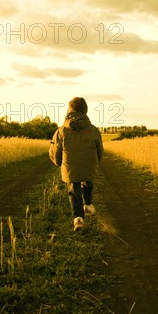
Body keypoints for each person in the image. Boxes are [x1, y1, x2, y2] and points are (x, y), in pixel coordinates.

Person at [49, 97, 104, 231]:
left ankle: (78, 218)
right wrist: (96, 162)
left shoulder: (61, 131)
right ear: (85, 111)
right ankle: (88, 205)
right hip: (89, 165)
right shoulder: (93, 130)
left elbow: (56, 152)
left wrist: (57, 162)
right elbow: (100, 151)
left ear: (70, 110)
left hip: (70, 167)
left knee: (74, 189)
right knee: (88, 181)